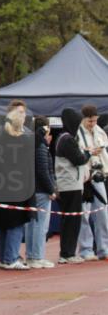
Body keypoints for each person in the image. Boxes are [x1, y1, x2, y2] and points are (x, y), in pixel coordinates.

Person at [0, 105, 35, 270]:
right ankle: (11, 258)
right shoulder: (24, 140)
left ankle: (4, 258)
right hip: (18, 188)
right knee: (16, 223)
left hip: (1, 187)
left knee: (4, 224)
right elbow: (28, 167)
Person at [55, 108, 91, 264]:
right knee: (72, 220)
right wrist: (89, 154)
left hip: (68, 183)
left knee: (69, 220)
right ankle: (67, 253)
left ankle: (67, 252)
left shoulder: (62, 137)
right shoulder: (68, 139)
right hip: (70, 184)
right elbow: (78, 159)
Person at [76, 104, 108, 261]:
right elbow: (76, 155)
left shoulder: (100, 132)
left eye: (95, 121)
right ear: (83, 119)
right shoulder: (77, 133)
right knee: (84, 215)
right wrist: (89, 152)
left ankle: (104, 249)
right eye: (90, 121)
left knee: (103, 213)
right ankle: (86, 250)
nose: (92, 124)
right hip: (83, 178)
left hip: (99, 175)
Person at [24, 117, 56, 268]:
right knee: (40, 225)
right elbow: (43, 170)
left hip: (32, 189)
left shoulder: (32, 144)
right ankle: (37, 256)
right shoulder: (41, 147)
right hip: (41, 190)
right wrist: (51, 189)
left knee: (31, 224)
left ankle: (31, 255)